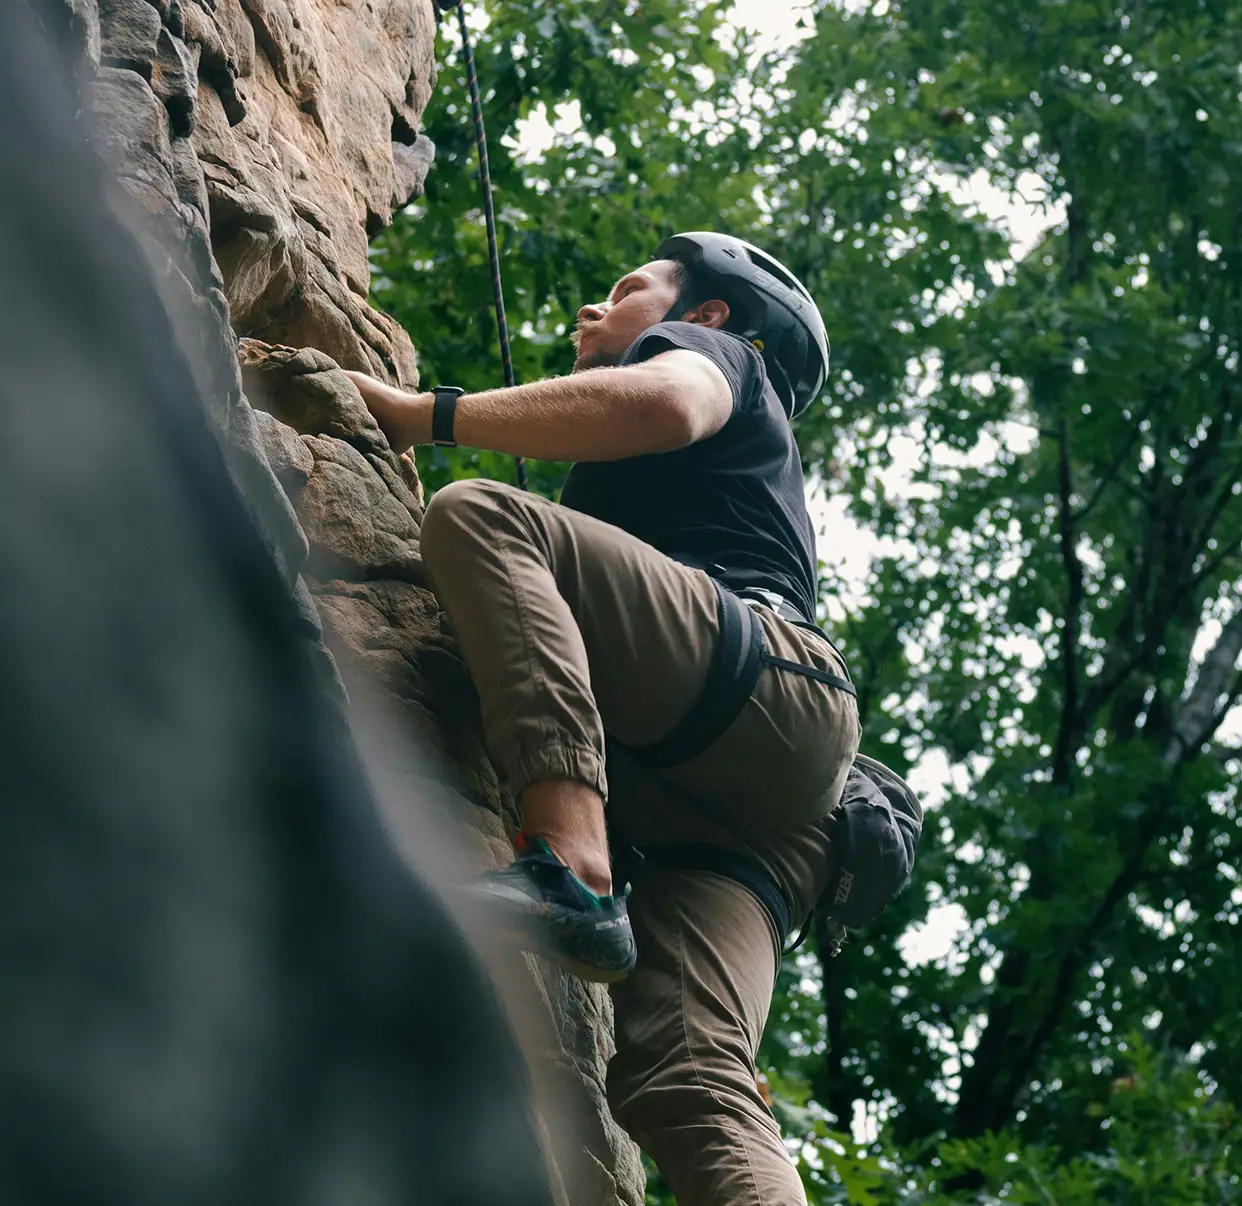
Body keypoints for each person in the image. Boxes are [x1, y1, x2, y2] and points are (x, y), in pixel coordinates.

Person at [344, 232, 861, 1204]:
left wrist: (427, 415)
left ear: (705, 314)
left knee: (483, 515)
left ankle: (574, 869)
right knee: (694, 1083)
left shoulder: (718, 358)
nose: (591, 310)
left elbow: (669, 405)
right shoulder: (672, 480)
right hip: (771, 812)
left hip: (760, 682)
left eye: (628, 290)